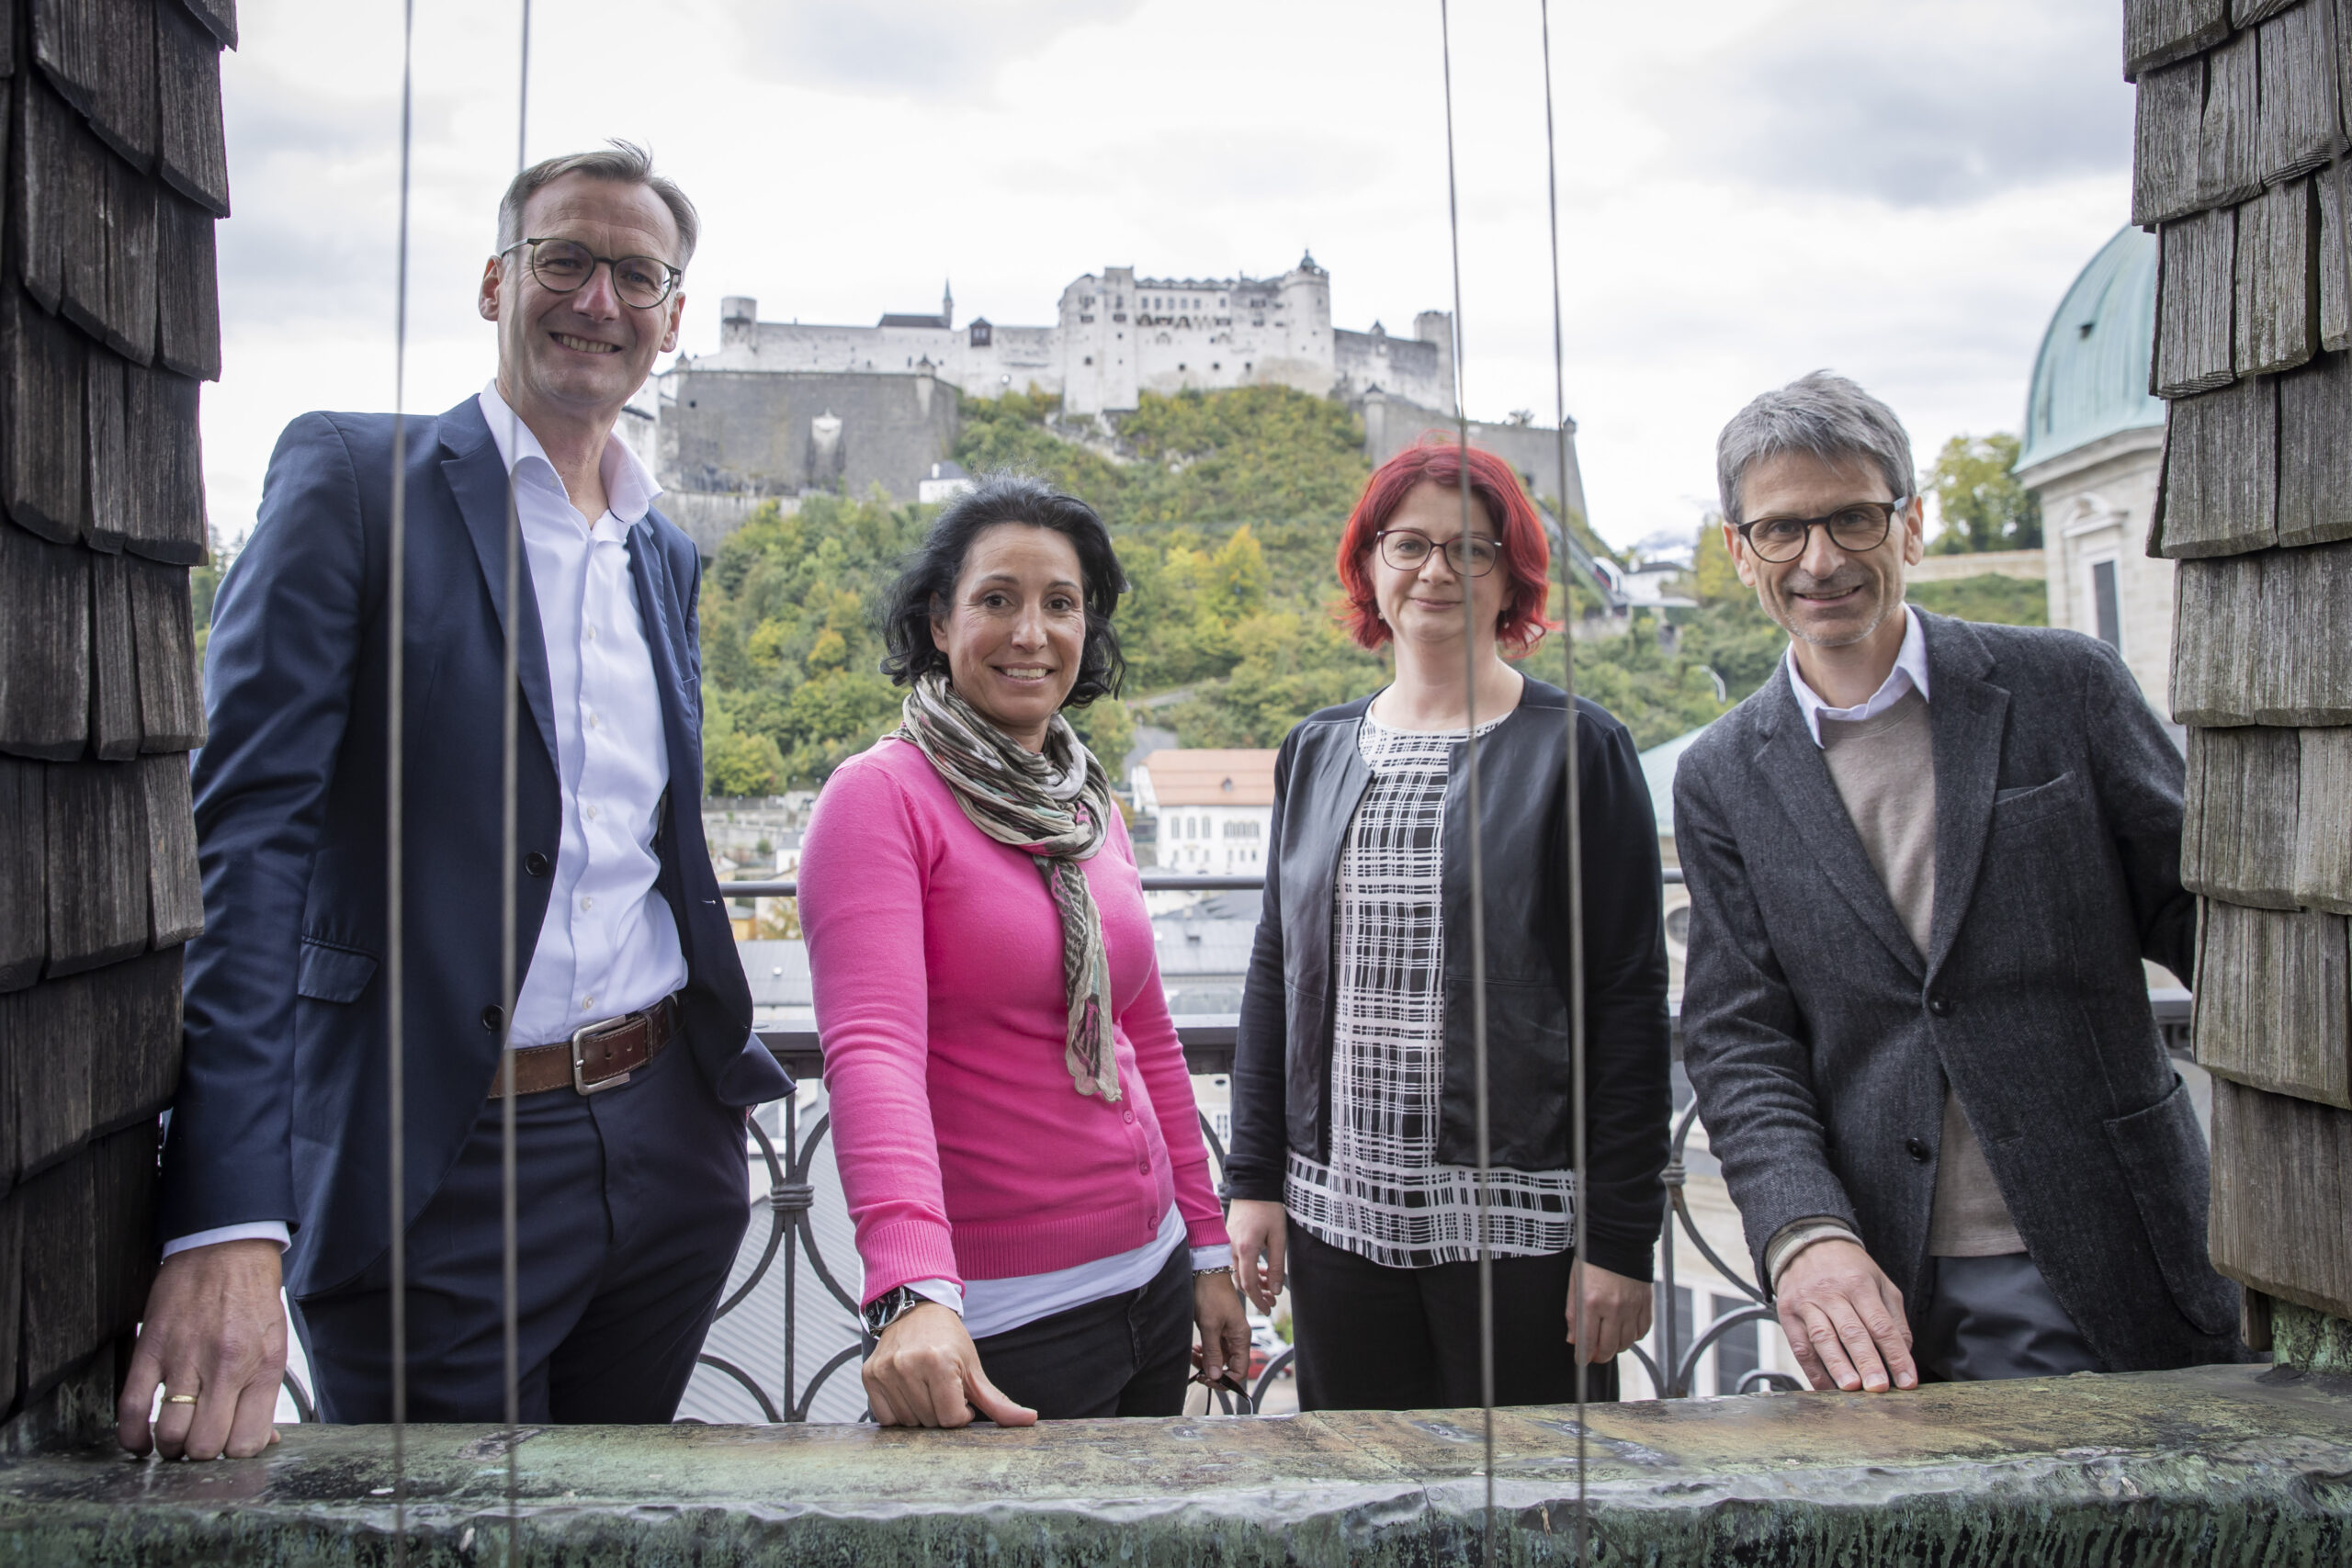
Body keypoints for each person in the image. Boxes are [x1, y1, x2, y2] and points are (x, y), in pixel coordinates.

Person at [119, 143, 791, 1461]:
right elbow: (247, 854)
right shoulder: (355, 486)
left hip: (667, 1150)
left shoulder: (664, 551)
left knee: (617, 1529)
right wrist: (227, 1212)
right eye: (565, 259)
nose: (599, 297)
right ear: (496, 283)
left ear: (672, 317)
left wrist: (697, 1126)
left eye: (637, 275)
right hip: (440, 1162)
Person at [1674, 371, 2240, 1394]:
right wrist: (1804, 1234)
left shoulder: (2066, 687)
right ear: (1736, 551)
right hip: (1884, 1289)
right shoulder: (1718, 775)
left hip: (2126, 1241)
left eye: (1852, 517)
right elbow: (1738, 1036)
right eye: (1781, 530)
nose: (1822, 559)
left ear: (1911, 523)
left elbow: (2216, 930)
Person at [1222, 440, 1671, 1412]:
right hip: (1337, 1226)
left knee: (1533, 1517)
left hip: (1520, 1239)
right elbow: (1276, 970)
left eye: (1470, 549)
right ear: (1368, 564)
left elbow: (1628, 1001)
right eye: (1409, 544)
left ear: (1510, 574)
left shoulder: (1578, 749)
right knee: (1364, 1499)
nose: (1435, 571)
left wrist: (1620, 1241)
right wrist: (1252, 1179)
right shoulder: (1317, 748)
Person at [797, 476, 1250, 1427]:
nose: (1030, 633)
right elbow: (874, 1052)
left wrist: (1204, 1250)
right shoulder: (880, 797)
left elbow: (1147, 1039)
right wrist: (912, 1288)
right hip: (1005, 1320)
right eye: (996, 599)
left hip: (1154, 1279)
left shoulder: (1086, 806)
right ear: (937, 619)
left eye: (1060, 604)